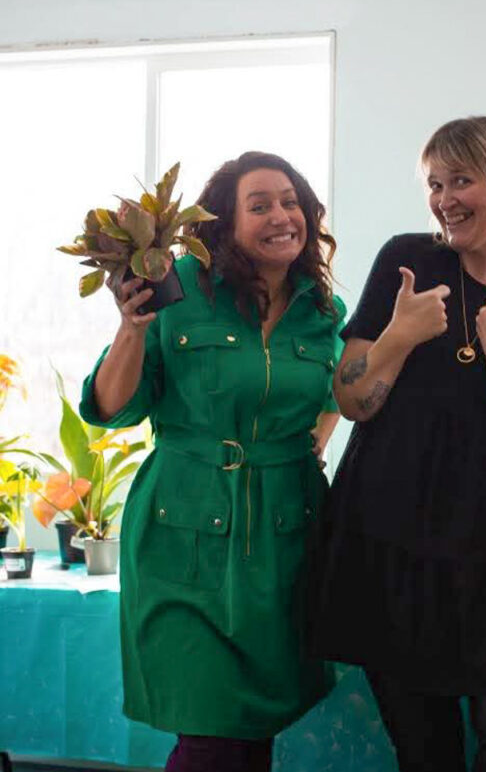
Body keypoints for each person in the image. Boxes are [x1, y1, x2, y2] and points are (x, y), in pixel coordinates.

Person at [315, 116, 486, 771]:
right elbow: (353, 400)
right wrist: (399, 336)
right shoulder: (406, 262)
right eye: (434, 183)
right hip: (397, 555)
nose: (444, 199)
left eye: (461, 179)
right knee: (425, 758)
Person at [79, 151, 344, 772]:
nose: (282, 216)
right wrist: (131, 330)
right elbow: (112, 408)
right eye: (260, 206)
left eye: (290, 202)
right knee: (213, 736)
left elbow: (340, 390)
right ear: (223, 224)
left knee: (251, 732)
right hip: (183, 537)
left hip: (285, 542)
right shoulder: (178, 294)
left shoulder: (323, 309)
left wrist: (315, 442)